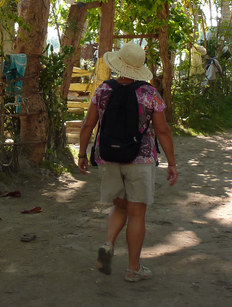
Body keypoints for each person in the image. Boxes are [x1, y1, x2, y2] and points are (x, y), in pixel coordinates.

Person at [77, 42, 178, 282]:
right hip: (140, 158)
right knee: (137, 213)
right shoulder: (149, 93)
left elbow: (87, 125)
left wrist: (82, 154)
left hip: (109, 157)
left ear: (119, 64)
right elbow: (163, 131)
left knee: (120, 204)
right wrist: (172, 163)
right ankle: (133, 269)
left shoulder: (103, 90)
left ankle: (109, 244)